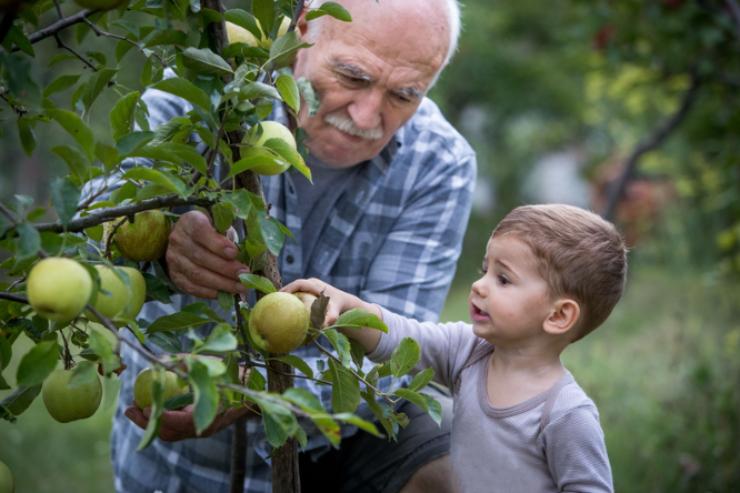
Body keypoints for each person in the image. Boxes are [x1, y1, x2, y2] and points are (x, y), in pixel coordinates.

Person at [110, 0, 476, 492]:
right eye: (352, 76)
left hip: (333, 450)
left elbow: (396, 357)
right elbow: (95, 213)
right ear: (303, 30)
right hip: (180, 466)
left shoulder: (440, 161)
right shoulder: (205, 96)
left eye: (405, 94)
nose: (367, 114)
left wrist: (254, 386)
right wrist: (156, 235)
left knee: (461, 450)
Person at [285, 204, 627, 492]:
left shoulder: (565, 414)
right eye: (485, 270)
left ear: (558, 315)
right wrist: (344, 305)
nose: (479, 286)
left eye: (503, 279)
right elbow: (402, 337)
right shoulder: (470, 351)